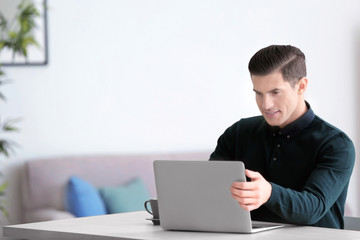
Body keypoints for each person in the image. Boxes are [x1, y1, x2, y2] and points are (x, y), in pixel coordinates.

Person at [210, 45, 355, 229]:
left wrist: (269, 193)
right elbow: (210, 188)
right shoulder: (238, 132)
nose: (266, 104)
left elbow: (314, 207)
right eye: (259, 94)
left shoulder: (337, 145)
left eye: (275, 92)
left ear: (301, 86)